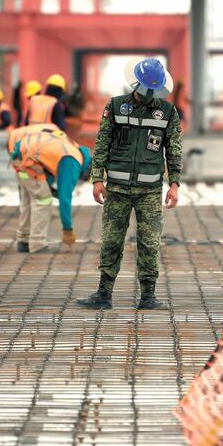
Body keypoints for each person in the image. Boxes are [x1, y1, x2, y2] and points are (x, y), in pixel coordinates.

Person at [77, 58, 182, 311]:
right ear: (135, 83)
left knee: (149, 243)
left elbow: (174, 149)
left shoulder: (167, 112)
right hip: (117, 189)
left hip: (149, 191)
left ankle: (148, 297)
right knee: (112, 241)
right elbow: (102, 143)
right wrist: (97, 179)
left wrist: (175, 183)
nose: (147, 94)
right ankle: (104, 294)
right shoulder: (115, 107)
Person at [9, 127, 91, 253]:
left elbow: (48, 171)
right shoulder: (72, 162)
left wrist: (52, 190)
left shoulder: (71, 148)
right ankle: (37, 244)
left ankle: (23, 240)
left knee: (29, 200)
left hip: (20, 156)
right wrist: (67, 229)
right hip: (30, 162)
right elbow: (65, 199)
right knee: (43, 200)